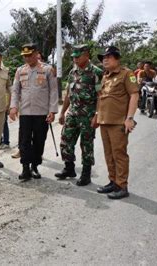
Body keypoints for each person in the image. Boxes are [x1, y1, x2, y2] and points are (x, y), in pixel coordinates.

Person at [95, 46, 139, 199]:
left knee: (119, 154)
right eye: (103, 58)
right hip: (104, 121)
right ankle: (113, 181)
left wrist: (130, 118)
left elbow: (134, 95)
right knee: (108, 154)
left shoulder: (127, 74)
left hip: (118, 122)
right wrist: (96, 115)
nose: (104, 60)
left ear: (117, 58)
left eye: (108, 56)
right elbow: (101, 98)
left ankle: (122, 186)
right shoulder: (105, 76)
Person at [55, 44, 103, 186]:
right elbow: (69, 95)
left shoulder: (96, 72)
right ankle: (69, 168)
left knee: (86, 144)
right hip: (73, 113)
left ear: (86, 55)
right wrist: (63, 112)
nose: (75, 59)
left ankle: (86, 174)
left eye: (77, 56)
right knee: (66, 140)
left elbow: (101, 96)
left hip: (88, 115)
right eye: (73, 57)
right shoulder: (72, 72)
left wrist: (97, 115)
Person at [10, 43, 59, 180]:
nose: (27, 58)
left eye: (29, 55)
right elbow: (15, 90)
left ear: (36, 53)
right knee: (24, 141)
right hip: (25, 112)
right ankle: (25, 168)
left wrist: (52, 111)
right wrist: (13, 107)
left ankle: (35, 167)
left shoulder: (48, 70)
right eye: (25, 56)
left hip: (42, 112)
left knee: (39, 141)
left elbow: (54, 91)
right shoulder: (20, 70)